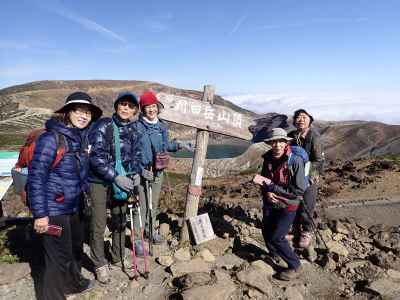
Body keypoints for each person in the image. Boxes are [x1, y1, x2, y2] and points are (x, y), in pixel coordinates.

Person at [27, 91, 102, 300]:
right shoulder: (51, 139)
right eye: (79, 110)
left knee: (75, 248)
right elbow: (36, 178)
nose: (84, 116)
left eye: (87, 112)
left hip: (74, 206)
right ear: (67, 112)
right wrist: (40, 215)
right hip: (54, 210)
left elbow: (79, 173)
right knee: (56, 258)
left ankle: (74, 284)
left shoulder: (79, 138)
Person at [88, 91, 151, 284]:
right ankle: (99, 263)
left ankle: (116, 256)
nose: (126, 108)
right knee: (99, 223)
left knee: (120, 219)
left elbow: (136, 156)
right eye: (123, 104)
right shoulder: (103, 125)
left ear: (135, 110)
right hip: (100, 181)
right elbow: (96, 156)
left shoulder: (134, 129)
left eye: (131, 106)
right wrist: (115, 177)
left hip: (124, 180)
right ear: (116, 106)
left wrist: (139, 173)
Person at [135, 91, 193, 244]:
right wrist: (141, 170)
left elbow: (166, 146)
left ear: (157, 107)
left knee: (153, 205)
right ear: (142, 109)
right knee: (142, 205)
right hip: (143, 172)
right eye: (147, 107)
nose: (151, 110)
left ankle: (150, 231)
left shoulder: (162, 127)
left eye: (153, 106)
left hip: (158, 172)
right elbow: (131, 151)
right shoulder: (136, 127)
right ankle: (137, 240)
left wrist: (180, 144)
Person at [259, 128, 306, 281]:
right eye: (274, 142)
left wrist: (275, 189)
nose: (277, 145)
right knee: (266, 230)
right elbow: (264, 181)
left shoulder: (295, 161)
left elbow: (298, 190)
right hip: (271, 202)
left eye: (281, 141)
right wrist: (267, 192)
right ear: (270, 144)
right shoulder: (268, 159)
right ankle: (274, 254)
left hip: (288, 204)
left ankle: (295, 266)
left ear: (286, 142)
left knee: (277, 237)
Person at [288, 109, 324, 251]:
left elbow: (319, 161)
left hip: (309, 177)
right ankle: (294, 229)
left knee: (307, 206)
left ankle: (307, 231)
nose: (301, 119)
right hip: (293, 176)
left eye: (304, 117)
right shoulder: (291, 136)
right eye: (298, 117)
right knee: (293, 203)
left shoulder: (314, 137)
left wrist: (307, 177)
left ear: (310, 120)